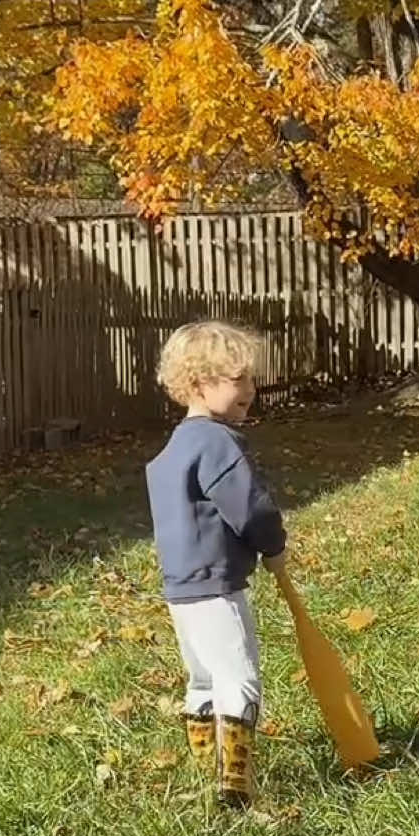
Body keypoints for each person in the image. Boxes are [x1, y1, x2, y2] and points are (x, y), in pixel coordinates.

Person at [146, 321, 287, 807]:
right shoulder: (217, 443)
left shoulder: (173, 449)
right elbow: (249, 506)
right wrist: (273, 545)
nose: (251, 389)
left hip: (180, 590)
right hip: (217, 585)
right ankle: (235, 786)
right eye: (238, 379)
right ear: (200, 383)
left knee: (202, 677)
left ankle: (203, 767)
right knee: (239, 676)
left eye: (251, 378)